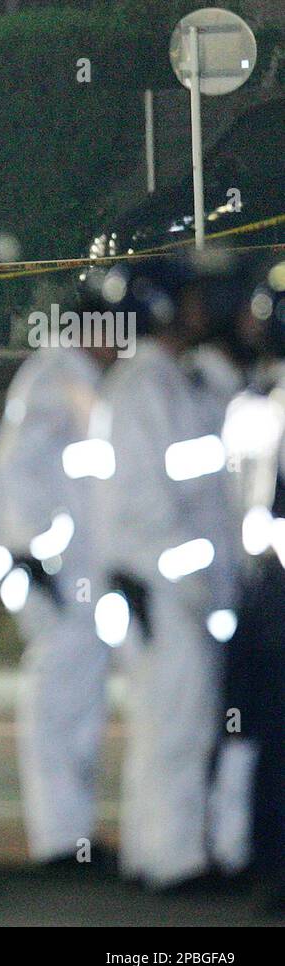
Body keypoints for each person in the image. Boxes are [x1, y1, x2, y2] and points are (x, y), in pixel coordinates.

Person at [93, 256, 243, 892]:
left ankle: (158, 853)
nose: (200, 309)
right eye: (187, 299)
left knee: (171, 725)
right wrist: (197, 582)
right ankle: (172, 862)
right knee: (174, 729)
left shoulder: (162, 384)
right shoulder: (146, 391)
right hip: (162, 591)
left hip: (161, 590)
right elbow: (152, 510)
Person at [0, 271, 117, 869]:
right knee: (59, 705)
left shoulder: (81, 378)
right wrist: (33, 552)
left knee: (83, 707)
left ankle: (74, 835)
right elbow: (17, 475)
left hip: (82, 576)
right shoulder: (54, 379)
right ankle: (57, 840)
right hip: (59, 575)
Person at [224, 258, 285, 910]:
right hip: (275, 591)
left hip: (255, 590)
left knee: (265, 738)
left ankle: (266, 865)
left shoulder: (247, 400)